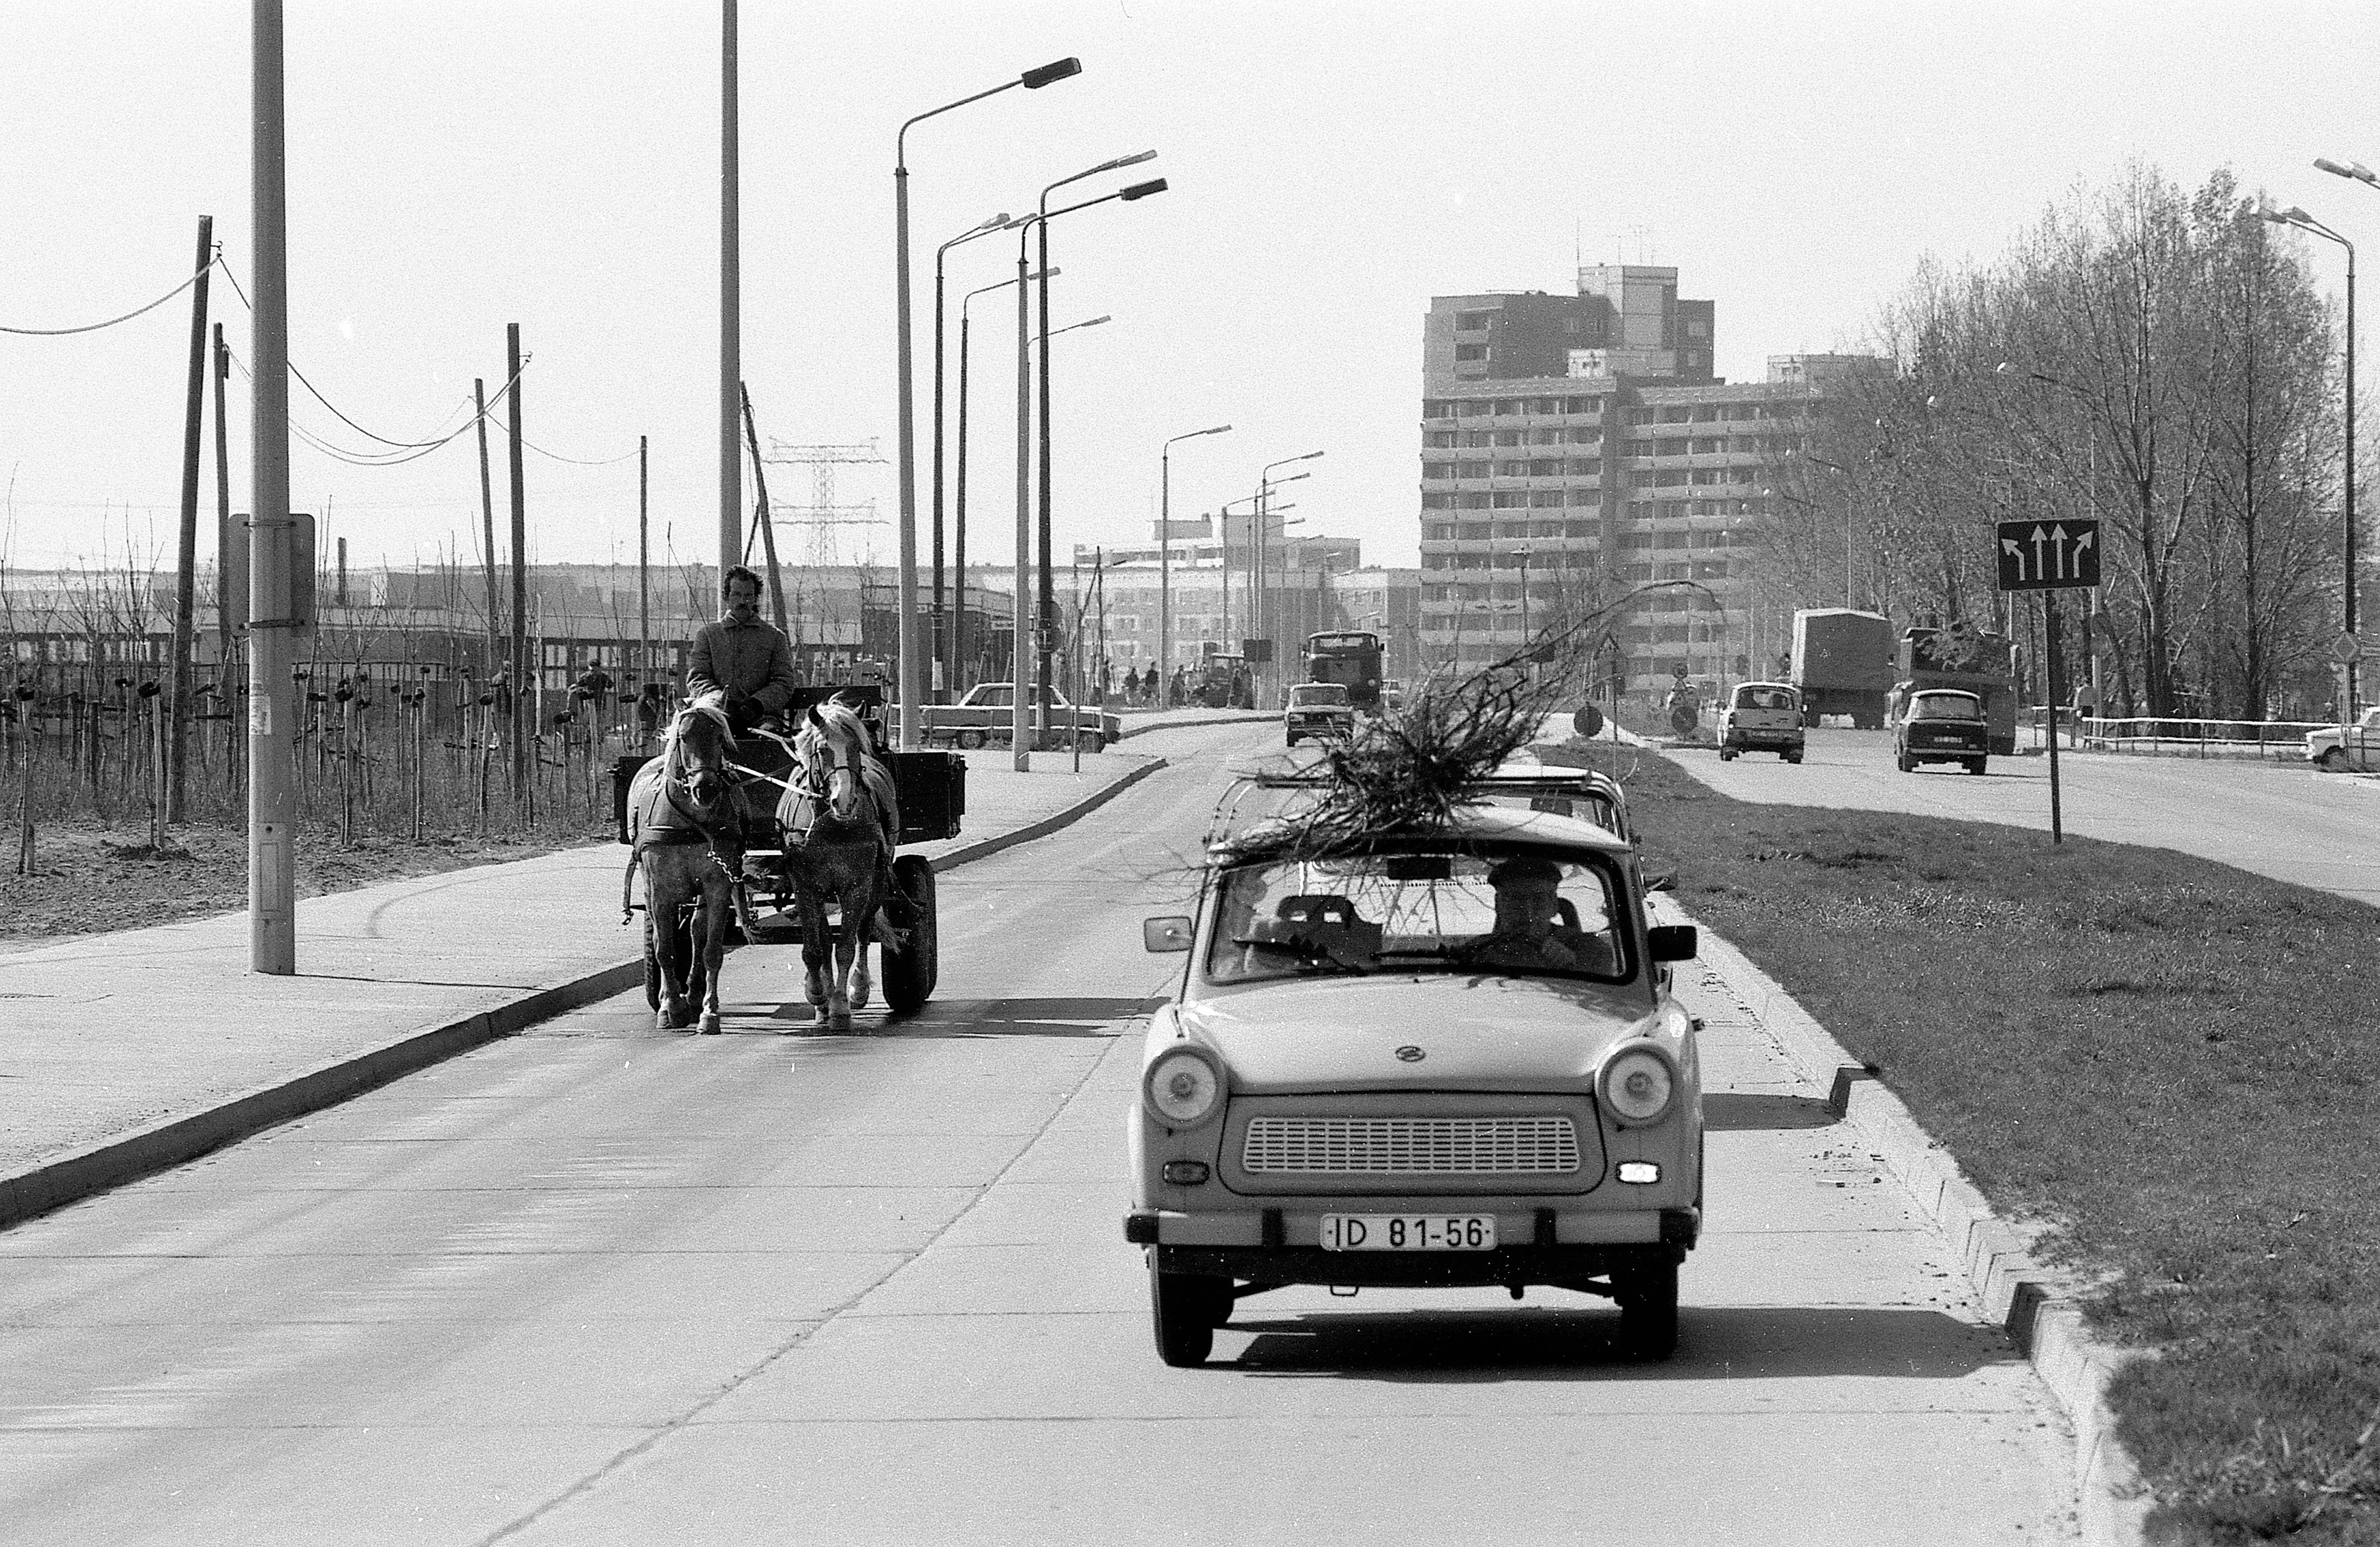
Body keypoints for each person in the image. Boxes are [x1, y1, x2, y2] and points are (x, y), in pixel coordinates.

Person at [686, 565, 800, 733]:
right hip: (717, 714)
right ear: (726, 596)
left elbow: (784, 681)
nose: (742, 601)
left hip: (762, 717)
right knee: (701, 736)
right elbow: (698, 677)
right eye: (737, 595)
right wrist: (720, 701)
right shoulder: (708, 635)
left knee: (769, 739)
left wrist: (757, 704)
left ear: (755, 599)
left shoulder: (774, 637)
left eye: (748, 596)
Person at [1465, 857, 1604, 972]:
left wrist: (1573, 965)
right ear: (1499, 905)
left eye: (1539, 900)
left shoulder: (1587, 948)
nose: (1528, 912)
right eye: (1516, 900)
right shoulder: (1475, 951)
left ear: (1554, 904)